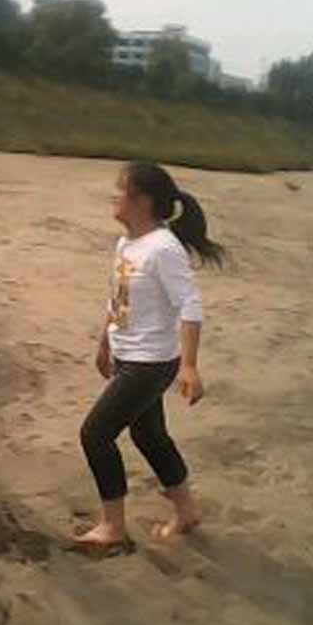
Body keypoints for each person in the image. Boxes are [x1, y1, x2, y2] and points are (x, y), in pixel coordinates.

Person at [76, 161, 224, 550]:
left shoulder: (164, 249)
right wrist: (105, 343)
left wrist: (189, 366)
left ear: (142, 201)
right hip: (129, 356)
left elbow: (190, 305)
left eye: (120, 190)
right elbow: (118, 298)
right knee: (149, 434)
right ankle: (186, 511)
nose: (114, 196)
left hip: (151, 363)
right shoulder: (127, 243)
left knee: (95, 434)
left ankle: (113, 527)